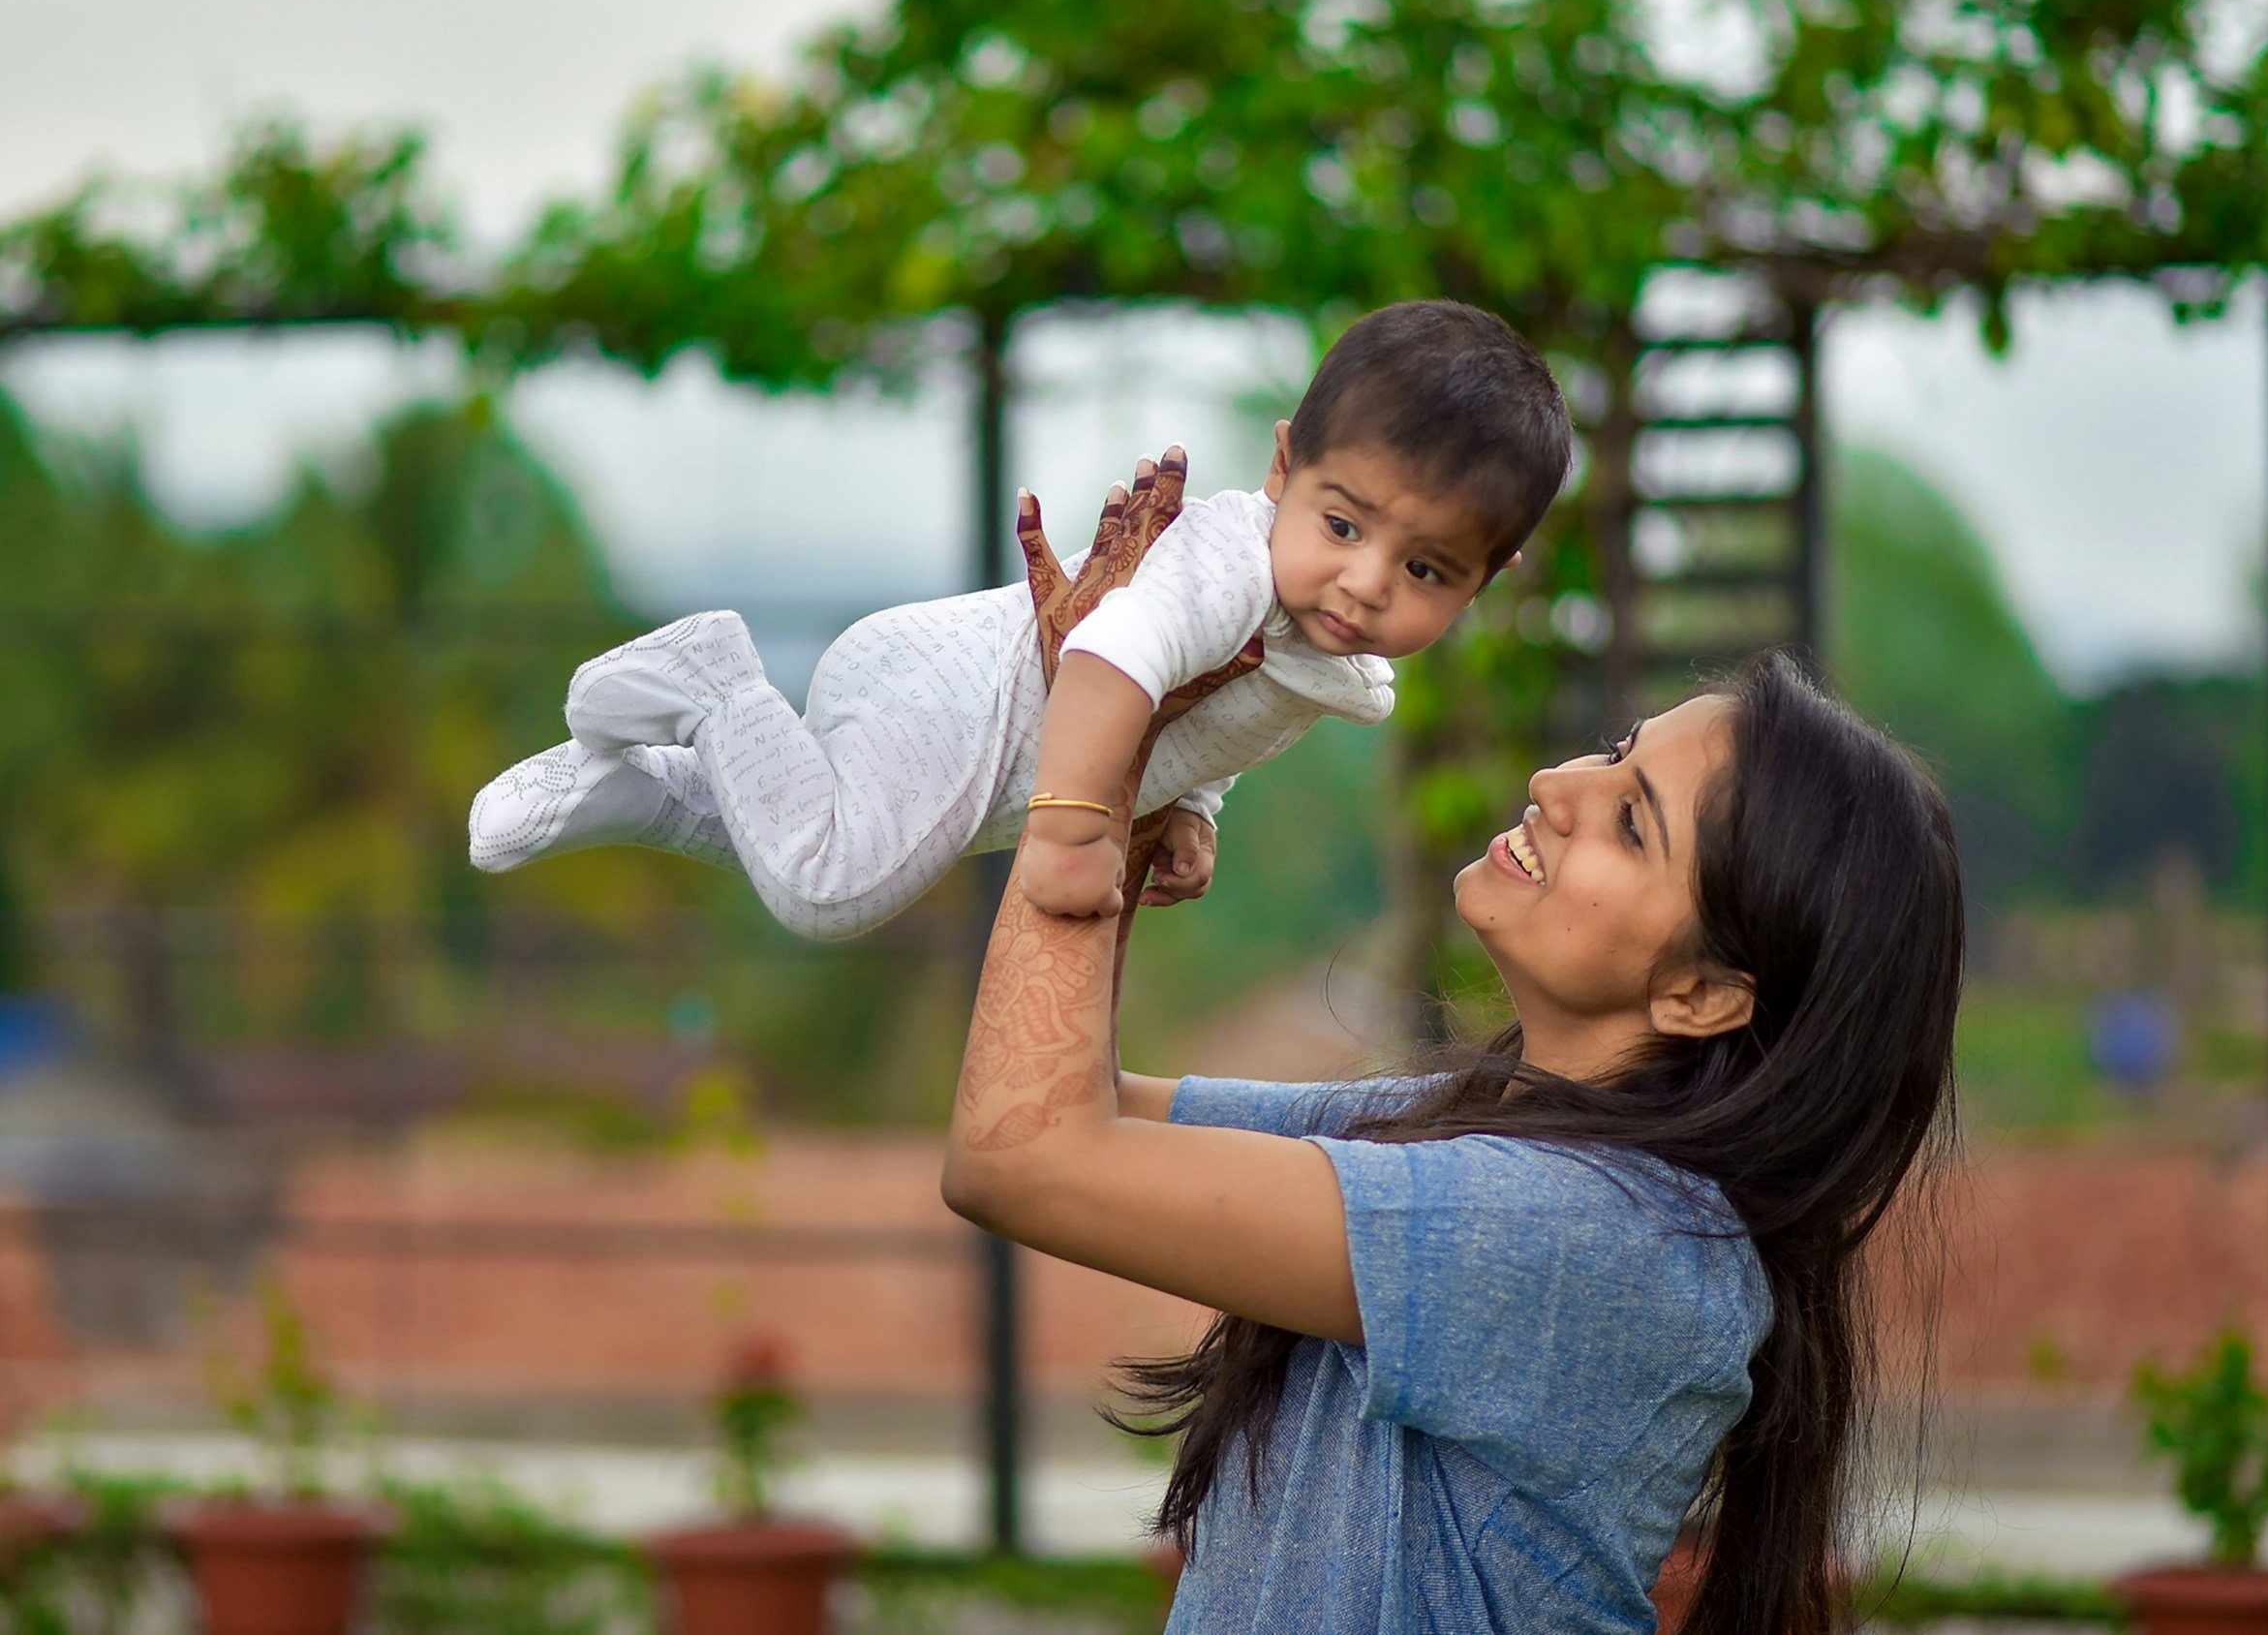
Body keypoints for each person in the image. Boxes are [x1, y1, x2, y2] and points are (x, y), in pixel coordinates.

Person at [941, 625, 1965, 1634]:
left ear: (1701, 992)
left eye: (1630, 822)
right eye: (1615, 752)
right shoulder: (1459, 1141)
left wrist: (1100, 740)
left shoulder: (1602, 1238)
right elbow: (1055, 1100)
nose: (1558, 785)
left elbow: (1021, 1155)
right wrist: (1145, 774)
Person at [464, 299, 1572, 940]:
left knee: (796, 837)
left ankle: (634, 788)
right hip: (962, 695)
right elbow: (1119, 651)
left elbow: (1216, 715)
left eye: (1424, 566)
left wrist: (1194, 807)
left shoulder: (1314, 637)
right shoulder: (1231, 563)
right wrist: (1073, 832)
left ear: (1487, 576)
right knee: (828, 887)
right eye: (1342, 524)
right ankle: (714, 677)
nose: (1368, 581)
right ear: (1285, 464)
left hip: (997, 729)